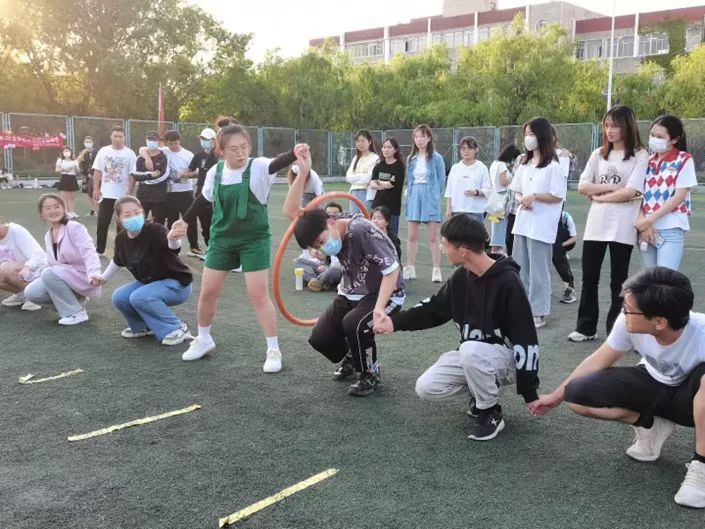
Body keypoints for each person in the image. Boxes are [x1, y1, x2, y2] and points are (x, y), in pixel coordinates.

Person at [529, 267, 705, 509]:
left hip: (692, 398)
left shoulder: (702, 333)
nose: (623, 312)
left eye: (629, 309)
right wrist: (555, 397)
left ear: (660, 322)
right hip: (652, 382)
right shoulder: (628, 321)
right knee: (576, 394)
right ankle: (652, 426)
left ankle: (702, 464)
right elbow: (598, 360)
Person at [374, 214, 539, 440]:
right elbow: (435, 308)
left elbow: (526, 336)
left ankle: (490, 411)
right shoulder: (461, 277)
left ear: (463, 251)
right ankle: (481, 392)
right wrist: (394, 322)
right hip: (476, 357)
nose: (443, 248)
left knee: (470, 349)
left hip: (506, 361)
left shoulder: (508, 281)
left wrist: (530, 393)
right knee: (427, 387)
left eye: (445, 243)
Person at [179, 125, 304, 372]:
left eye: (244, 147)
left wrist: (294, 153)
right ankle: (203, 339)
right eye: (234, 149)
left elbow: (276, 164)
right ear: (221, 151)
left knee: (258, 294)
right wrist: (184, 221)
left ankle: (273, 349)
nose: (240, 153)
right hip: (221, 240)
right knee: (208, 292)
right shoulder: (215, 171)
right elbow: (203, 199)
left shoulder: (258, 166)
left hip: (253, 240)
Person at [284, 149, 405, 397]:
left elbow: (392, 271)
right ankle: (352, 355)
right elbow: (291, 212)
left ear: (331, 223)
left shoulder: (361, 229)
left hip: (386, 292)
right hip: (351, 291)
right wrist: (303, 172)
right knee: (320, 338)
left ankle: (370, 373)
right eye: (317, 246)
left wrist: (379, 309)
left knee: (355, 324)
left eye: (321, 241)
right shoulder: (326, 223)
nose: (322, 248)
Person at [568, 105, 649, 342]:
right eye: (606, 125)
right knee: (589, 278)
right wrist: (612, 187)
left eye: (615, 125)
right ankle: (586, 328)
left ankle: (617, 331)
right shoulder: (598, 154)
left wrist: (601, 197)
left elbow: (632, 191)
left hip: (623, 227)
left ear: (627, 126)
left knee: (618, 281)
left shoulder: (640, 155)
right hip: (596, 225)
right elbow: (583, 185)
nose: (609, 130)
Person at [91, 196, 193, 346]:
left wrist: (173, 238)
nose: (134, 217)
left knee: (139, 297)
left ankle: (177, 328)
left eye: (137, 212)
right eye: (128, 215)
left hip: (177, 283)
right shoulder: (121, 238)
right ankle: (143, 327)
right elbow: (118, 260)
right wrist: (103, 278)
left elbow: (173, 247)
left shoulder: (155, 229)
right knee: (120, 297)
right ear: (118, 218)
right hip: (152, 283)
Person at [510, 117, 566, 329]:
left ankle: (538, 312)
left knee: (538, 271)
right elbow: (517, 190)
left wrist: (534, 197)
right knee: (520, 267)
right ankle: (521, 307)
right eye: (526, 134)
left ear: (541, 136)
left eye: (531, 134)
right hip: (523, 222)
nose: (528, 138)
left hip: (541, 225)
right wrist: (522, 199)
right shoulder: (524, 164)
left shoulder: (553, 166)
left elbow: (557, 196)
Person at [24, 194, 102, 325]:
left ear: (64, 209)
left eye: (56, 207)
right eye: (48, 208)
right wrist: (32, 273)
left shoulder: (74, 227)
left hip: (83, 277)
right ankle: (74, 304)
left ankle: (76, 313)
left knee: (49, 273)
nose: (53, 211)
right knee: (31, 293)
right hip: (65, 277)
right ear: (42, 214)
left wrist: (94, 273)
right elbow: (51, 263)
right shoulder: (48, 236)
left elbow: (89, 251)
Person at [636, 114, 696, 271]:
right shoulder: (646, 161)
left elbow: (679, 197)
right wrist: (643, 223)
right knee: (648, 280)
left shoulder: (684, 159)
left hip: (671, 228)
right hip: (645, 230)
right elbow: (637, 194)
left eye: (660, 136)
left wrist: (649, 220)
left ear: (674, 139)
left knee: (665, 280)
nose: (654, 139)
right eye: (652, 135)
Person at [404, 125, 447, 283]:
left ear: (429, 138)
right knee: (411, 236)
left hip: (430, 196)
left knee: (433, 236)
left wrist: (436, 197)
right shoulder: (411, 158)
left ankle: (436, 270)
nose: (419, 140)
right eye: (416, 136)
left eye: (422, 136)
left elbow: (441, 180)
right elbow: (409, 180)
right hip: (414, 195)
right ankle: (410, 268)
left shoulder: (436, 158)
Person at [92, 125, 137, 255]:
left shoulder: (130, 153)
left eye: (120, 136)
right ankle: (99, 249)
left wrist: (129, 192)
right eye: (115, 136)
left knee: (122, 225)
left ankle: (120, 251)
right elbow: (97, 171)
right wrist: (96, 189)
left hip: (123, 195)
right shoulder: (103, 151)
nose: (118, 139)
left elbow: (133, 175)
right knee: (102, 222)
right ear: (111, 137)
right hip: (106, 194)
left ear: (124, 138)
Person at [160, 131, 201, 257]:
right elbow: (143, 149)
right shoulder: (164, 152)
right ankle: (172, 248)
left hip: (185, 192)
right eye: (170, 144)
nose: (173, 146)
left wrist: (184, 174)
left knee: (190, 219)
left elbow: (197, 173)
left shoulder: (188, 154)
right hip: (169, 193)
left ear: (180, 141)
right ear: (166, 143)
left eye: (176, 143)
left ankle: (194, 247)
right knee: (171, 221)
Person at [182, 128, 219, 258]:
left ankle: (219, 251)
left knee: (217, 223)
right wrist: (183, 174)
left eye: (207, 139)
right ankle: (210, 249)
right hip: (201, 193)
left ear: (214, 140)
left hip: (218, 194)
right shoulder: (198, 156)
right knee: (205, 224)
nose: (204, 141)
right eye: (202, 139)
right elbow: (190, 170)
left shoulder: (219, 156)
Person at [0, 218, 46, 311]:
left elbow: (39, 256)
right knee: (4, 269)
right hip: (19, 274)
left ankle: (36, 295)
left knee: (5, 268)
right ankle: (22, 295)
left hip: (38, 272)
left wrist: (27, 267)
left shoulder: (15, 231)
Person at [444, 136, 491, 223]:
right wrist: (448, 209)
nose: (466, 151)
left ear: (476, 150)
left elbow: (487, 189)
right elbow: (449, 191)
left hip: (476, 212)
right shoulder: (455, 168)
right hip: (457, 211)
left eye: (470, 148)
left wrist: (476, 192)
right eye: (463, 148)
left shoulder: (482, 168)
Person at [369, 137, 405, 236]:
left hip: (392, 207)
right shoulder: (379, 166)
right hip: (378, 204)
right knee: (375, 234)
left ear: (395, 150)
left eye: (389, 147)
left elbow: (391, 185)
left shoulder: (399, 166)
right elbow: (372, 184)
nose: (386, 150)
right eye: (384, 147)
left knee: (391, 235)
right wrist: (382, 184)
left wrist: (379, 182)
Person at [132, 131, 169, 225]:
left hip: (159, 197)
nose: (152, 142)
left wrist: (144, 176)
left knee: (158, 225)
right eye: (149, 139)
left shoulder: (163, 157)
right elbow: (135, 175)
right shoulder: (140, 158)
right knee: (139, 223)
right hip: (143, 196)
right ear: (146, 140)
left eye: (154, 140)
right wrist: (150, 175)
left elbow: (161, 175)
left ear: (158, 141)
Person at [489, 145, 520, 254]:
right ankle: (497, 251)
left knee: (495, 227)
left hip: (494, 199)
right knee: (501, 228)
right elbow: (503, 181)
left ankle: (495, 249)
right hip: (501, 200)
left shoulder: (494, 163)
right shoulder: (502, 165)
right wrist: (514, 176)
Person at [345, 130, 379, 214]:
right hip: (354, 192)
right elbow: (348, 177)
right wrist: (362, 175)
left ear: (370, 142)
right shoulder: (356, 158)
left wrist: (356, 177)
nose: (360, 143)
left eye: (363, 141)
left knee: (365, 218)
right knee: (354, 219)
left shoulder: (375, 158)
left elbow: (369, 177)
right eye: (358, 141)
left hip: (367, 192)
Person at [553, 207, 578, 304]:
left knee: (558, 257)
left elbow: (574, 238)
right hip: (550, 240)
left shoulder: (566, 217)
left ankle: (569, 288)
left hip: (567, 241)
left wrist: (560, 246)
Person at [55, 147, 80, 219]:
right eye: (65, 151)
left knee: (72, 196)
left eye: (68, 151)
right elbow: (57, 170)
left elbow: (78, 170)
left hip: (72, 178)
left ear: (71, 152)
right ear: (63, 153)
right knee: (64, 197)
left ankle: (72, 211)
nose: (67, 152)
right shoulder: (60, 160)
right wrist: (64, 169)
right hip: (64, 178)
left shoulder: (74, 160)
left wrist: (76, 168)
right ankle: (66, 212)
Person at [77, 136, 98, 216]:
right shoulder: (82, 153)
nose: (88, 143)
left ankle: (97, 210)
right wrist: (84, 173)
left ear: (92, 143)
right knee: (89, 193)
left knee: (95, 193)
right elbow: (80, 164)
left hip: (95, 176)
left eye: (89, 142)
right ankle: (93, 210)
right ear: (84, 143)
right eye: (86, 142)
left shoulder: (96, 152)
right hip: (86, 176)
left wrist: (93, 173)